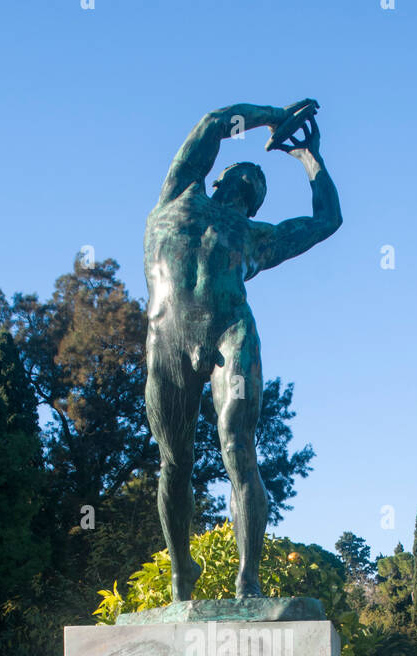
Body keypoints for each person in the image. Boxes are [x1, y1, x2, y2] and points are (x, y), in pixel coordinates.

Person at [144, 99, 342, 600]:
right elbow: (212, 124)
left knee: (238, 448)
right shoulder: (176, 197)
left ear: (256, 203)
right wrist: (274, 115)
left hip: (230, 335)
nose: (251, 177)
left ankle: (247, 578)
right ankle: (180, 570)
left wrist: (310, 159)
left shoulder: (257, 236)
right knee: (175, 462)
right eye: (243, 171)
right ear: (217, 177)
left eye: (259, 181)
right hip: (167, 339)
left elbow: (327, 221)